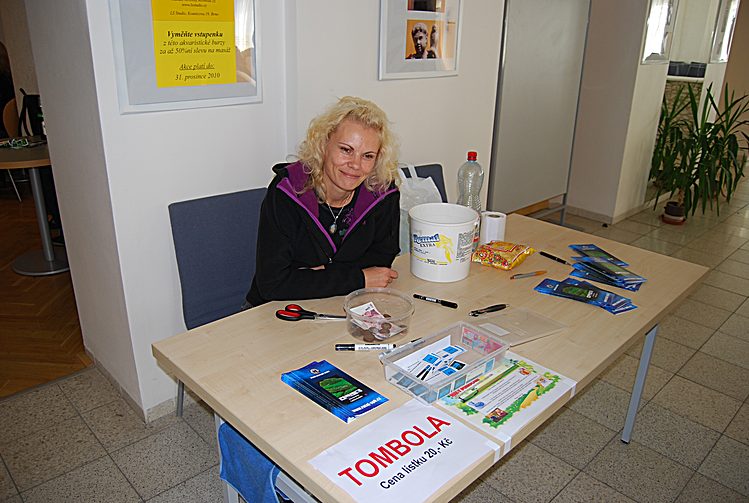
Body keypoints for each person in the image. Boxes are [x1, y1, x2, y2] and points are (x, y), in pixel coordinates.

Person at [245, 96, 401, 308]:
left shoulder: (382, 193)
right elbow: (272, 284)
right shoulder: (288, 191)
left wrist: (318, 275)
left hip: (344, 303)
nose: (355, 164)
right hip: (276, 310)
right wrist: (359, 277)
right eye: (346, 150)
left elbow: (381, 262)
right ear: (324, 145)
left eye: (367, 156)